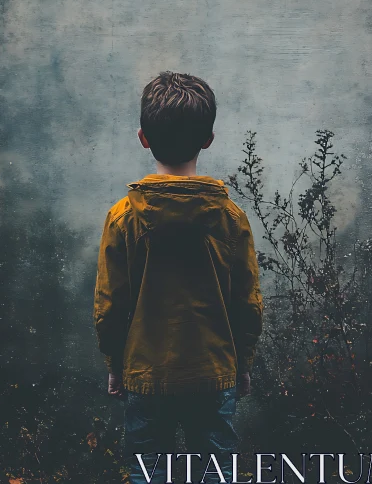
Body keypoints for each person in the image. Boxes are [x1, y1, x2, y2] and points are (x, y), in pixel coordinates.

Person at [93, 71, 263, 483]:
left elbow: (110, 305)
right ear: (208, 139)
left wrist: (116, 364)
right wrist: (242, 364)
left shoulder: (123, 217)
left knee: (149, 473)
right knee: (215, 473)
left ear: (143, 137)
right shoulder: (230, 217)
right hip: (213, 373)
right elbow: (247, 302)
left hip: (146, 376)